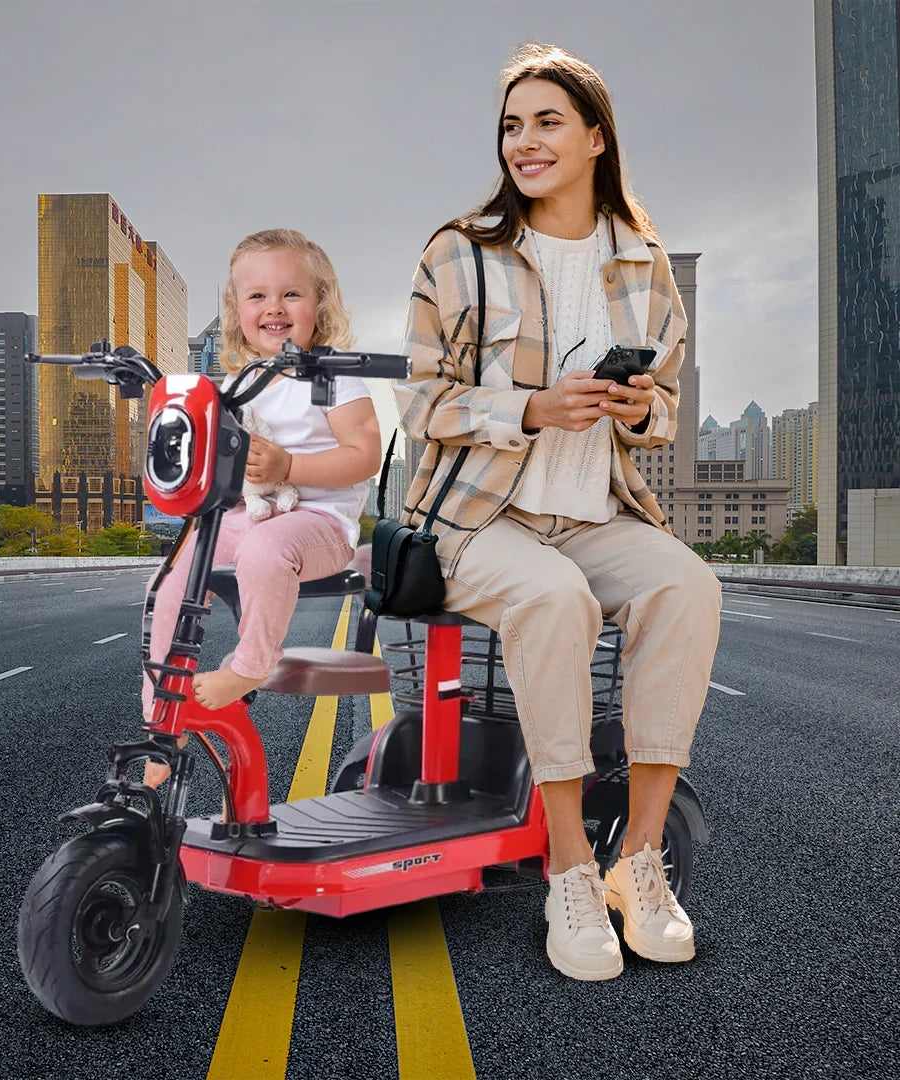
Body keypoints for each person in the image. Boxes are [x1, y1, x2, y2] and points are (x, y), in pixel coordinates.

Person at [394, 43, 722, 982]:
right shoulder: (459, 252)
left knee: (688, 588)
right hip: (478, 518)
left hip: (592, 510)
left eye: (545, 122)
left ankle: (639, 863)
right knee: (557, 602)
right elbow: (420, 402)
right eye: (510, 125)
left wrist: (635, 407)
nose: (524, 143)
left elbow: (662, 406)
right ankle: (568, 867)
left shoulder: (646, 265)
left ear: (595, 137)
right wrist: (528, 409)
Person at [142, 229, 381, 788]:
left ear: (320, 304)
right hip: (253, 511)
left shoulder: (336, 375)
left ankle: (250, 666)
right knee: (174, 574)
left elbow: (363, 455)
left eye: (291, 294)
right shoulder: (240, 382)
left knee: (263, 550)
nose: (274, 307)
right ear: (236, 310)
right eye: (256, 296)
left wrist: (287, 467)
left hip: (320, 524)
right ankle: (163, 715)